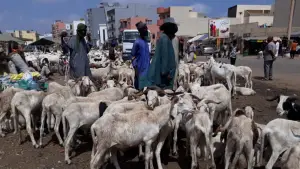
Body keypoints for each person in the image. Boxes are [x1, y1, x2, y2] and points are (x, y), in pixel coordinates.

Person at [147, 17, 178, 89]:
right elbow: (165, 58)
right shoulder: (165, 39)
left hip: (164, 77)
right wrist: (166, 73)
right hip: (164, 79)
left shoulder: (165, 38)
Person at [131, 21, 150, 90]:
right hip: (140, 71)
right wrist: (136, 70)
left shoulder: (146, 42)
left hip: (147, 71)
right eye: (145, 29)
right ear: (141, 31)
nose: (146, 31)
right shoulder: (137, 42)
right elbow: (133, 57)